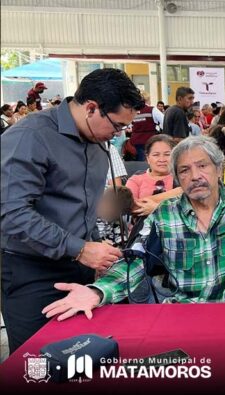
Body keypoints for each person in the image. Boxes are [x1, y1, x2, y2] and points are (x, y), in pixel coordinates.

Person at [42, 136, 225, 317]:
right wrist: (98, 291)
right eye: (184, 170)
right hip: (182, 314)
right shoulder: (164, 213)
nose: (195, 176)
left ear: (219, 169)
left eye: (202, 166)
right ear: (177, 178)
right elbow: (136, 259)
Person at [1, 68, 143, 352]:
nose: (118, 134)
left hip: (80, 267)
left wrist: (90, 247)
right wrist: (79, 248)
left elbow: (80, 205)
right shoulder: (31, 136)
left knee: (82, 354)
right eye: (116, 126)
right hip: (32, 271)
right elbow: (11, 213)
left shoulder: (96, 143)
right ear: (92, 108)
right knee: (37, 362)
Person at [126, 134, 183, 215]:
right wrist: (176, 192)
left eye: (167, 154)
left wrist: (156, 207)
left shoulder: (182, 177)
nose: (162, 159)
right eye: (156, 155)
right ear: (148, 158)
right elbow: (131, 207)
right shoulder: (136, 179)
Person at [129, 91, 160, 161]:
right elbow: (164, 120)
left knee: (140, 160)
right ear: (148, 99)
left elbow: (128, 125)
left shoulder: (133, 110)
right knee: (150, 160)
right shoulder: (152, 110)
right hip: (150, 139)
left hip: (136, 140)